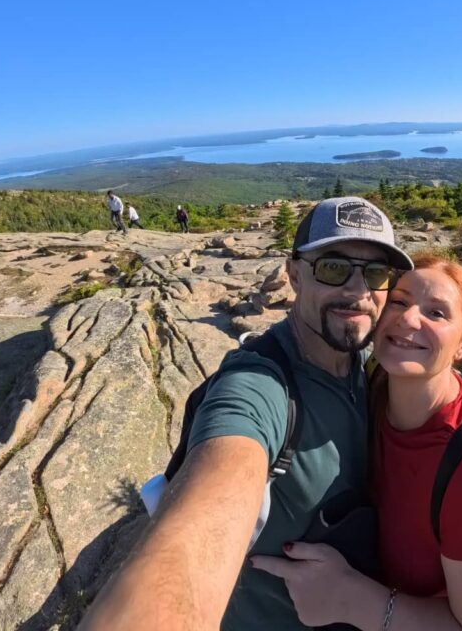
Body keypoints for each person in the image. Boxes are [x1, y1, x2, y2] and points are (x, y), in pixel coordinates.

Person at [79, 196, 414, 631]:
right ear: (293, 274)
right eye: (333, 268)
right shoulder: (258, 388)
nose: (357, 291)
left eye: (376, 274)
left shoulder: (364, 363)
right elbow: (194, 539)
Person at [251, 254, 462, 631]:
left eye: (437, 313)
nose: (408, 319)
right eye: (399, 301)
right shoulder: (368, 388)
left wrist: (352, 599)